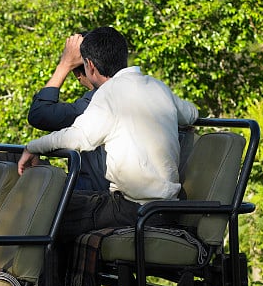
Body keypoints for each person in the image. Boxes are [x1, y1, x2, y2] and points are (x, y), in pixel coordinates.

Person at [18, 26, 199, 245]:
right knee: (65, 206)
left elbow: (78, 138)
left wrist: (32, 147)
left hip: (131, 209)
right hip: (165, 207)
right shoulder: (157, 86)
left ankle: (58, 281)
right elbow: (191, 113)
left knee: (45, 215)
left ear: (90, 66)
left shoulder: (107, 93)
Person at [27, 32, 110, 192]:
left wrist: (65, 64)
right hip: (139, 202)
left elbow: (39, 114)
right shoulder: (144, 91)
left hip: (97, 199)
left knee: (11, 158)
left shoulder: (95, 103)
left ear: (86, 69)